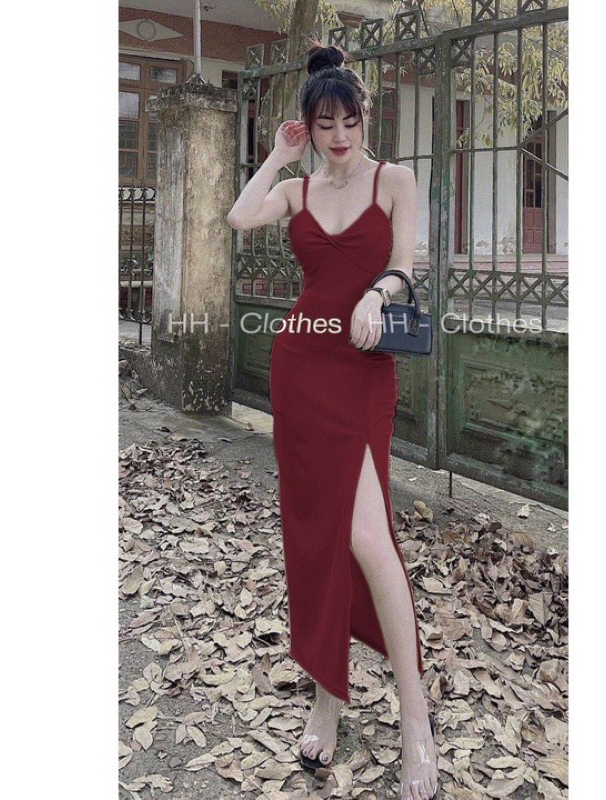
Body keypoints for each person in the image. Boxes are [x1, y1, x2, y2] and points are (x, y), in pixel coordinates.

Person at [226, 37, 438, 800]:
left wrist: (378, 293)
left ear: (365, 117)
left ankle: (416, 722)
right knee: (319, 539)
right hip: (303, 365)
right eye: (324, 124)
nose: (339, 135)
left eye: (349, 121)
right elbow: (239, 215)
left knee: (367, 540)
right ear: (310, 126)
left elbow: (407, 262)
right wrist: (279, 156)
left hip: (363, 369)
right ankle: (328, 696)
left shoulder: (395, 180)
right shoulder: (298, 188)